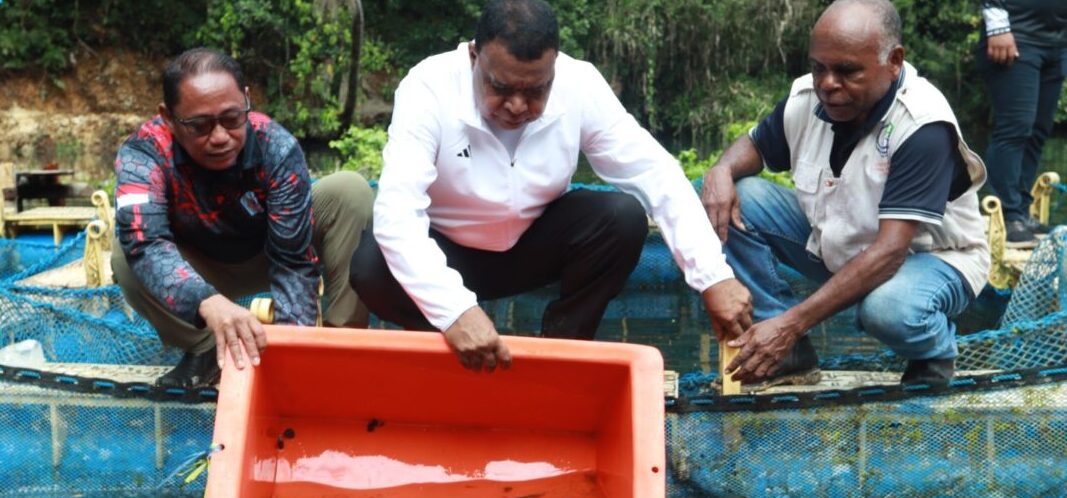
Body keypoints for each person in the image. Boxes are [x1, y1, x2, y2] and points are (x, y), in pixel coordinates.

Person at [350, 0, 751, 371]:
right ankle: (446, 349)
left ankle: (563, 352)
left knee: (621, 218)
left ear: (554, 67)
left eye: (536, 90)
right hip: (449, 249)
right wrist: (454, 311)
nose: (518, 107)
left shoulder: (580, 83)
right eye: (501, 88)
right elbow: (397, 214)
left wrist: (713, 276)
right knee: (371, 266)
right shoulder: (428, 87)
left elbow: (656, 174)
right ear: (474, 57)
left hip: (533, 244)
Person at [702, 0, 990, 389]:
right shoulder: (808, 99)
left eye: (846, 71)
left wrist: (792, 323)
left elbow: (889, 253)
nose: (827, 84)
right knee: (732, 196)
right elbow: (753, 146)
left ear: (893, 61)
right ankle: (791, 354)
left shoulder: (922, 126)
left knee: (888, 310)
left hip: (929, 259)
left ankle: (936, 352)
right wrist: (720, 169)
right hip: (843, 242)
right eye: (818, 67)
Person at [112, 48, 374, 388]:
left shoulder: (275, 145)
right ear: (169, 118)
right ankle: (205, 349)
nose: (220, 137)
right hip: (197, 268)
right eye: (200, 125)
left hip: (270, 248)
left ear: (246, 100)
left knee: (349, 191)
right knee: (125, 252)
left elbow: (293, 261)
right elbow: (144, 242)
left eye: (232, 119)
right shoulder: (143, 153)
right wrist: (206, 301)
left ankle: (342, 348)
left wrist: (292, 352)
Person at [979, 0, 1067, 245]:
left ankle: (1022, 211)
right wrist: (997, 28)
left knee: (1039, 130)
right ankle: (1007, 215)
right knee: (1016, 128)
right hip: (1015, 35)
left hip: (1057, 42)